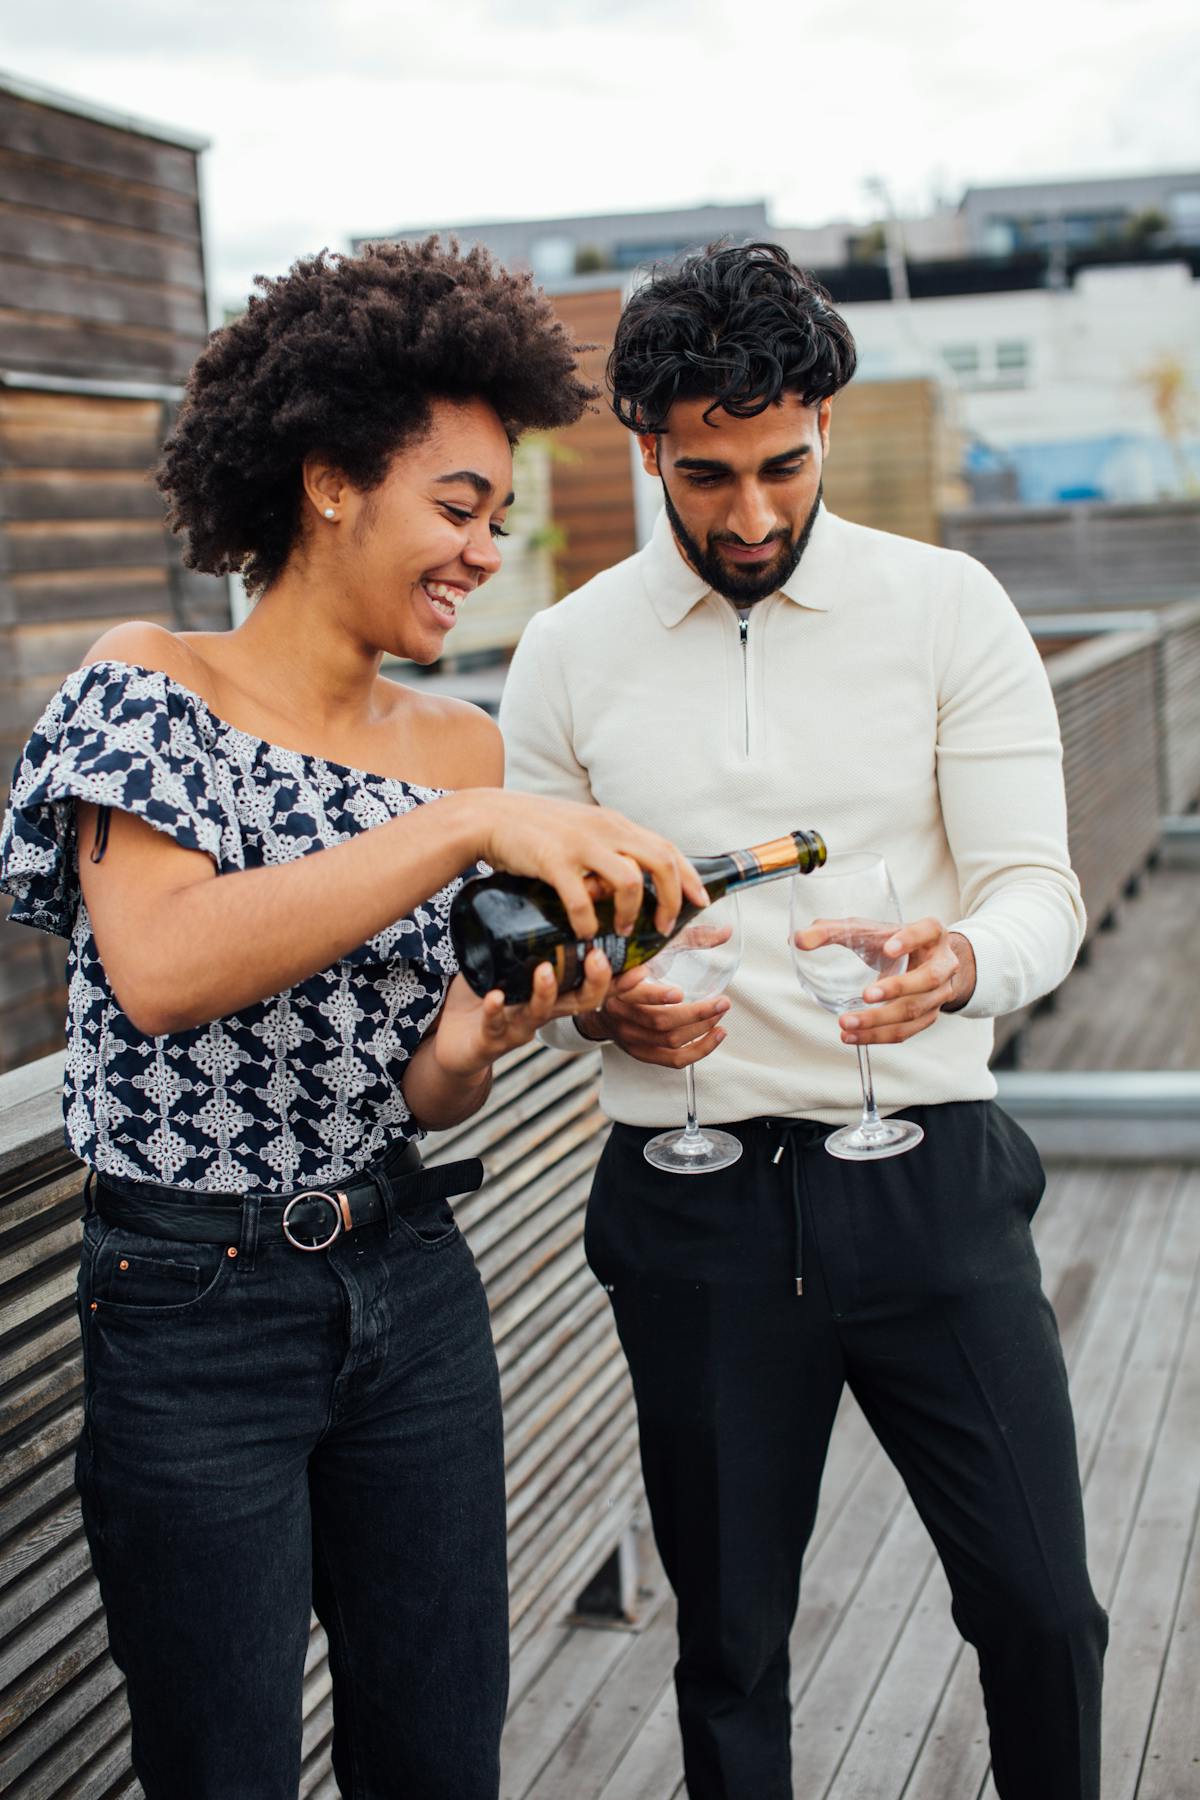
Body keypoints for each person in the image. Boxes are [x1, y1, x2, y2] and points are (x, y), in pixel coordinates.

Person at [0, 240, 706, 1800]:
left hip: (407, 1275)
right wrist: (463, 836)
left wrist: (514, 1028)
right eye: (457, 508)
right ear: (327, 479)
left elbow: (428, 1082)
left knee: (439, 1752)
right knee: (226, 1760)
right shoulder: (150, 682)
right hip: (190, 1302)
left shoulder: (463, 744)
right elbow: (166, 965)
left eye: (498, 522)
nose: (482, 554)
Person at [499, 242, 1107, 1800]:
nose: (753, 515)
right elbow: (561, 952)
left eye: (781, 466)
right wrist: (606, 1014)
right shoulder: (566, 656)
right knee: (730, 1648)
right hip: (689, 1211)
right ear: (644, 446)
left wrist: (957, 965)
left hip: (927, 1175)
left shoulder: (948, 607)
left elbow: (1041, 893)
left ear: (824, 421)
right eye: (707, 476)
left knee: (1044, 1612)